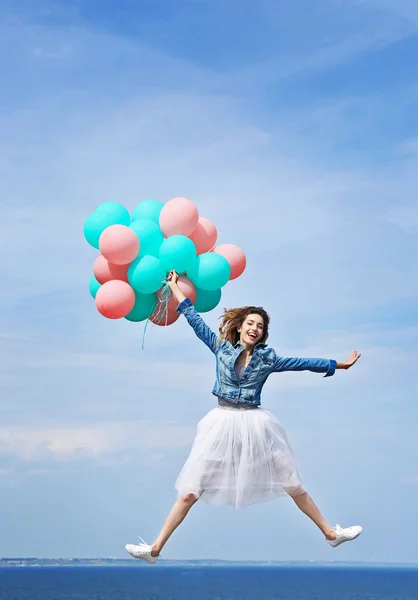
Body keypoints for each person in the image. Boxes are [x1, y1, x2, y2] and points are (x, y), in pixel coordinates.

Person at [125, 270, 362, 564]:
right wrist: (174, 285)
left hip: (255, 424)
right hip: (221, 423)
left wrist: (339, 365)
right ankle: (155, 549)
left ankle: (330, 533)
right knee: (189, 491)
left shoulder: (268, 359)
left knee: (291, 482)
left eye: (260, 326)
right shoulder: (220, 347)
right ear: (239, 328)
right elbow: (192, 316)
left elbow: (303, 363)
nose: (255, 328)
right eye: (250, 323)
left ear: (263, 333)